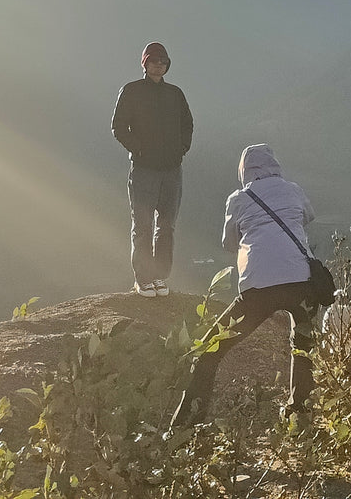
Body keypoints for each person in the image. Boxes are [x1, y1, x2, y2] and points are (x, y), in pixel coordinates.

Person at [171, 144, 321, 428]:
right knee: (302, 347)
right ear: (275, 165)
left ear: (244, 171)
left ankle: (185, 425)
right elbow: (307, 217)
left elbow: (228, 243)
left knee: (210, 352)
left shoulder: (239, 198)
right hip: (302, 282)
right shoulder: (293, 189)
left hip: (258, 286)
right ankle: (300, 419)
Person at [111, 42, 193, 297]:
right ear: (145, 63)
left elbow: (187, 124)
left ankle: (159, 277)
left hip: (171, 169)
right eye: (154, 60)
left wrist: (181, 148)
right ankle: (143, 278)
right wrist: (139, 150)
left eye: (163, 61)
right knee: (143, 224)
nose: (159, 65)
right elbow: (118, 126)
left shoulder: (175, 94)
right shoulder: (132, 91)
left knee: (167, 225)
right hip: (144, 169)